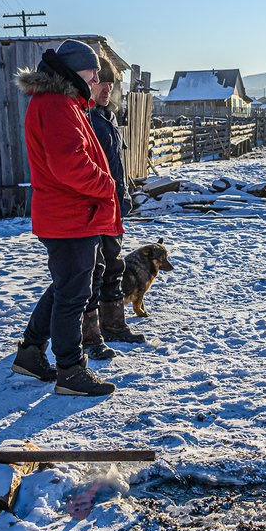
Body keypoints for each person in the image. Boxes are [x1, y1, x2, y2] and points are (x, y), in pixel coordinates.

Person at [11, 39, 120, 397]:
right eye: (91, 74)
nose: (94, 81)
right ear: (74, 70)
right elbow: (69, 164)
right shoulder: (58, 105)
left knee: (65, 286)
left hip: (68, 213)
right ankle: (70, 371)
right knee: (73, 293)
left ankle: (30, 352)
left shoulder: (62, 102)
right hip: (71, 214)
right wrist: (107, 185)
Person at [81, 63, 146, 357]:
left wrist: (125, 192)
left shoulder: (108, 117)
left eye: (111, 84)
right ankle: (90, 332)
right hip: (97, 207)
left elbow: (116, 162)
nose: (107, 88)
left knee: (113, 265)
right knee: (96, 270)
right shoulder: (88, 119)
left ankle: (114, 324)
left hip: (114, 204)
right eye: (101, 82)